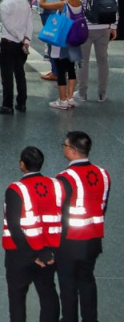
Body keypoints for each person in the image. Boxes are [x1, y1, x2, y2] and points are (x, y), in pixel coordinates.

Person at [54, 130, 110, 322]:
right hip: (94, 239)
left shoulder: (65, 178)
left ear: (72, 150)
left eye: (65, 145)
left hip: (69, 241)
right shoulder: (103, 174)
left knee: (68, 283)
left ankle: (69, 319)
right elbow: (103, 206)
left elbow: (58, 213)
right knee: (87, 279)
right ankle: (90, 319)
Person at [1, 145, 60, 322]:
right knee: (48, 294)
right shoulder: (57, 185)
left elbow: (14, 226)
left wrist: (33, 254)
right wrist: (46, 253)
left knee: (17, 298)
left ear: (22, 165)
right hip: (49, 253)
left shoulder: (15, 190)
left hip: (20, 254)